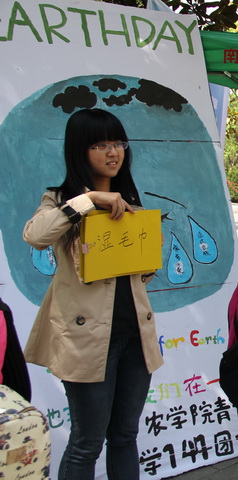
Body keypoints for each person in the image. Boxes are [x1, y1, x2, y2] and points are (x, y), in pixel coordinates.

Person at [22, 108, 163, 479]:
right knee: (87, 442)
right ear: (79, 150)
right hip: (87, 341)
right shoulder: (61, 200)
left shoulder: (129, 202)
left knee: (125, 436)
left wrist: (147, 252)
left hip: (135, 337)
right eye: (100, 145)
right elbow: (35, 235)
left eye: (118, 143)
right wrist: (88, 201)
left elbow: (140, 275)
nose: (113, 152)